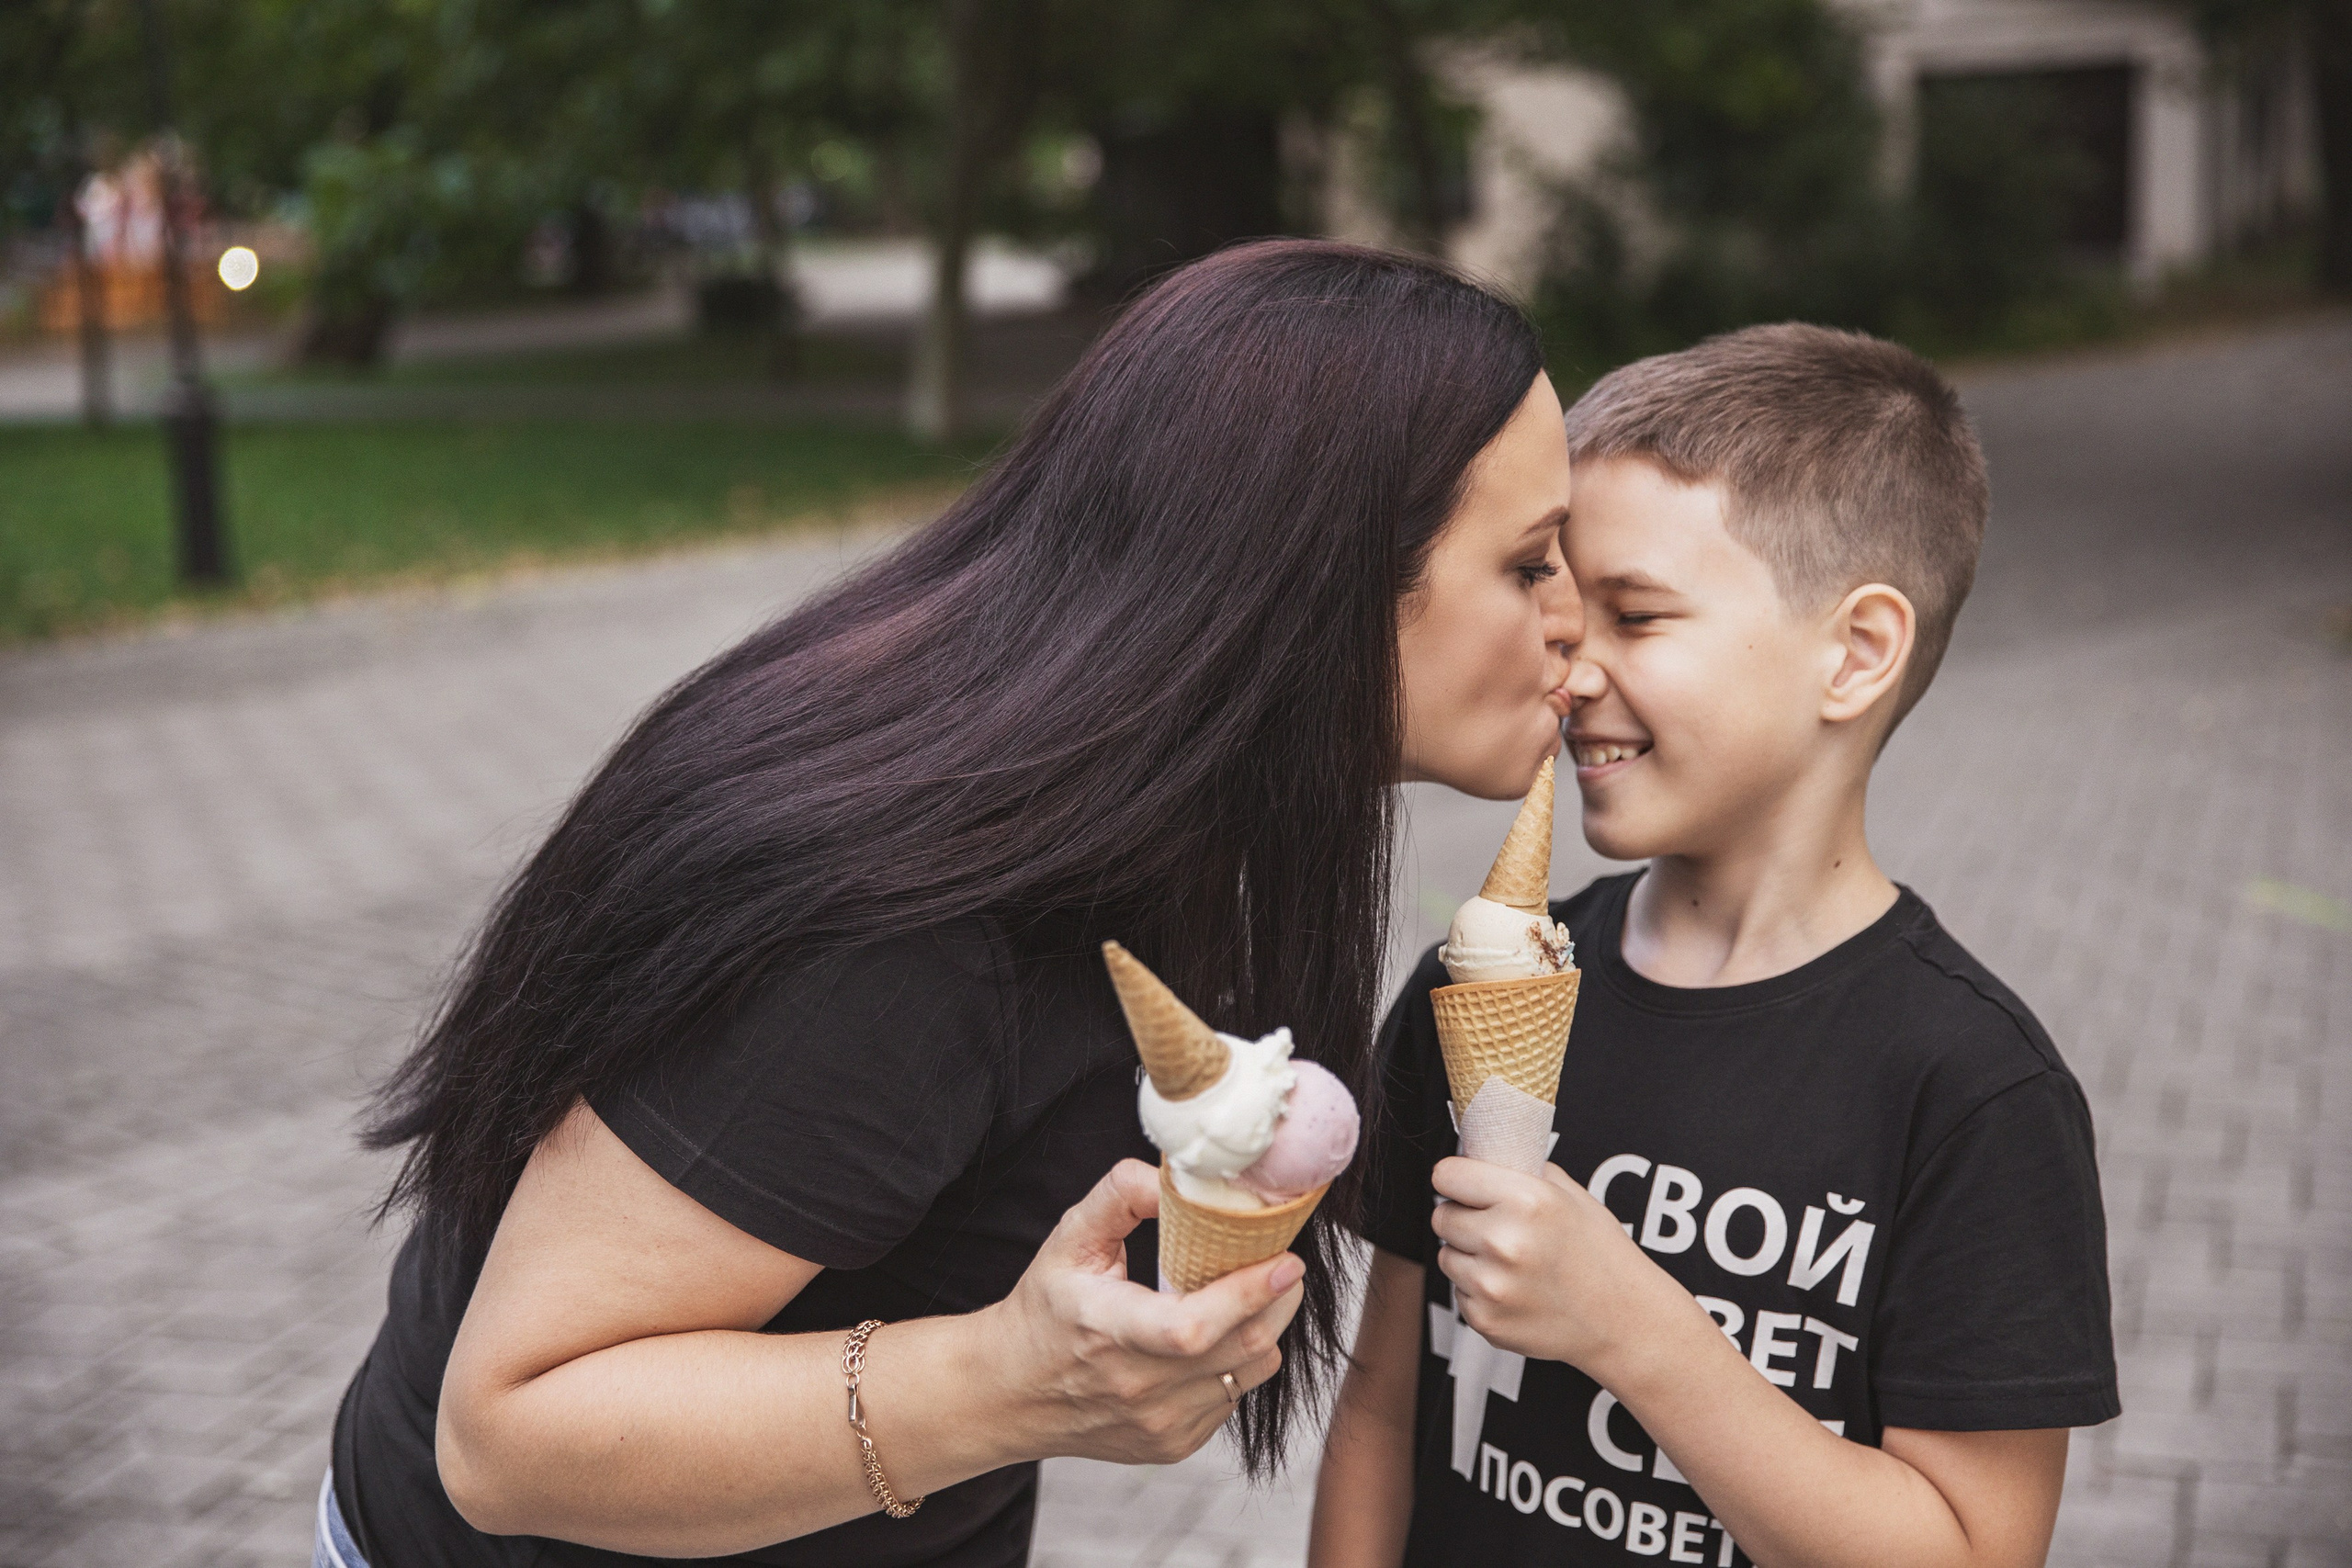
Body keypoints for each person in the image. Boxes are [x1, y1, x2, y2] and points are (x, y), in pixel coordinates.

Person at [318, 239, 1584, 1568]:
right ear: (1322, 577)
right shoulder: (902, 917)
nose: (1576, 620)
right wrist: (1003, 1384)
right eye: (1529, 565)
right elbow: (510, 1436)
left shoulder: (1171, 795)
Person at [1310, 324, 2120, 1568]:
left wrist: (1636, 1331)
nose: (1570, 668)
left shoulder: (1972, 1090)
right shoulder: (1472, 991)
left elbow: (1973, 1548)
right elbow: (1380, 1411)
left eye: (1635, 616)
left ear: (1856, 653)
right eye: (1561, 603)